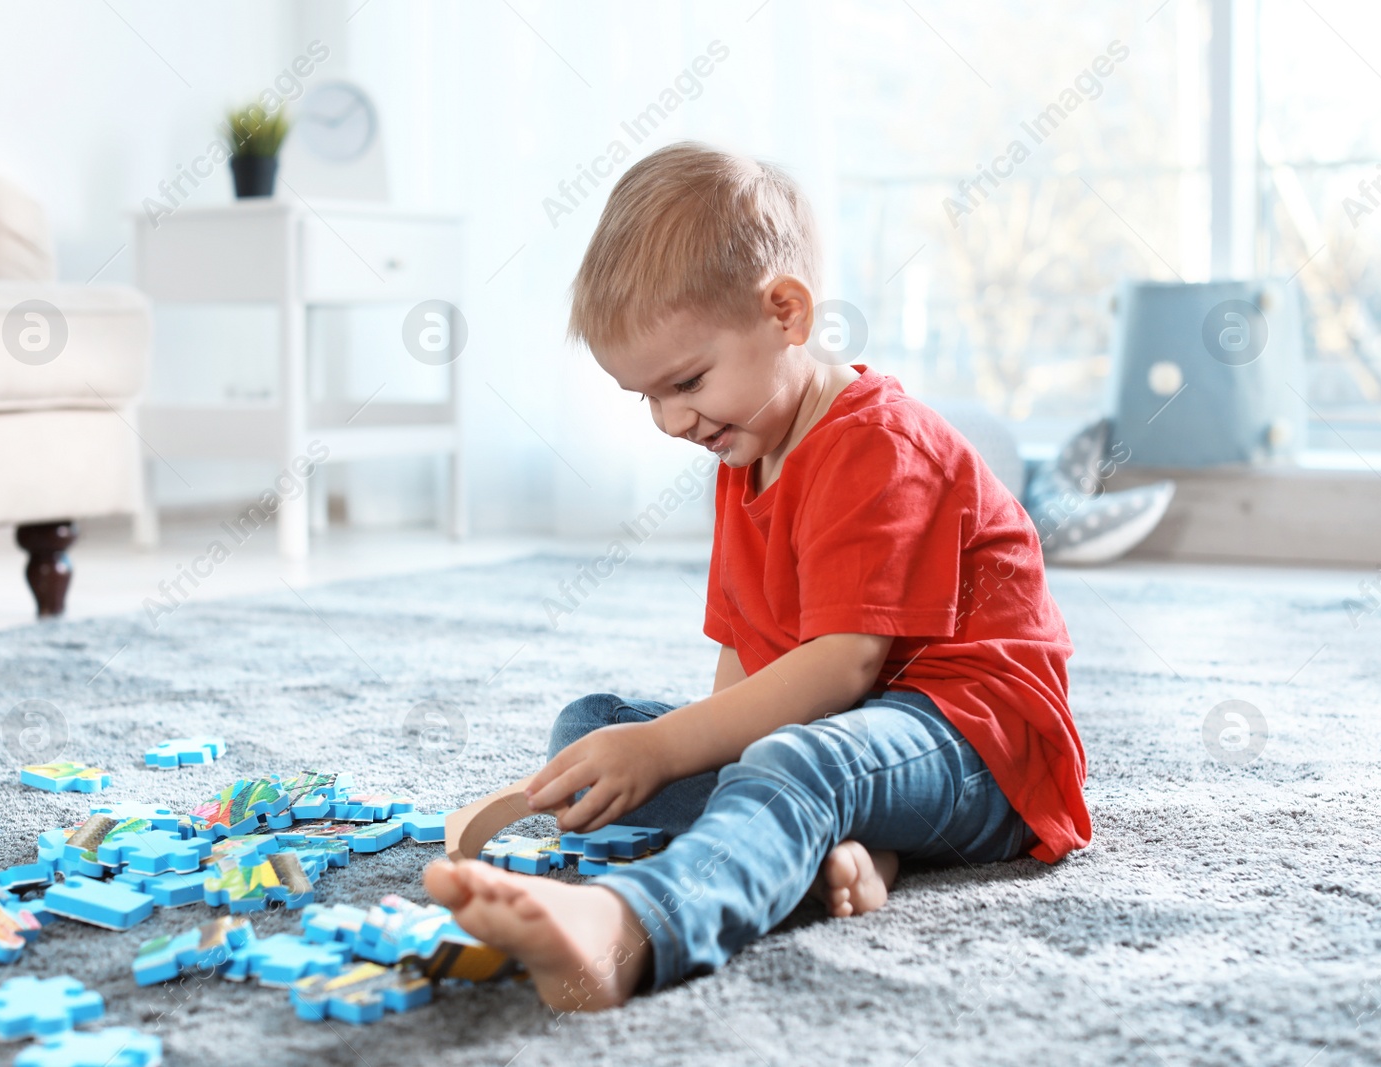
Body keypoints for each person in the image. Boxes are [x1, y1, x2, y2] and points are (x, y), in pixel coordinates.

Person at [424, 141, 1090, 1011]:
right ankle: (815, 852)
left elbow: (842, 665)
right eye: (646, 398)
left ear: (785, 312)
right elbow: (746, 658)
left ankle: (629, 929)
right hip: (851, 740)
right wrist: (654, 747)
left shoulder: (875, 444)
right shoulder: (742, 457)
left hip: (980, 745)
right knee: (592, 731)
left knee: (778, 757)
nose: (671, 420)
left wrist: (671, 748)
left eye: (687, 381)